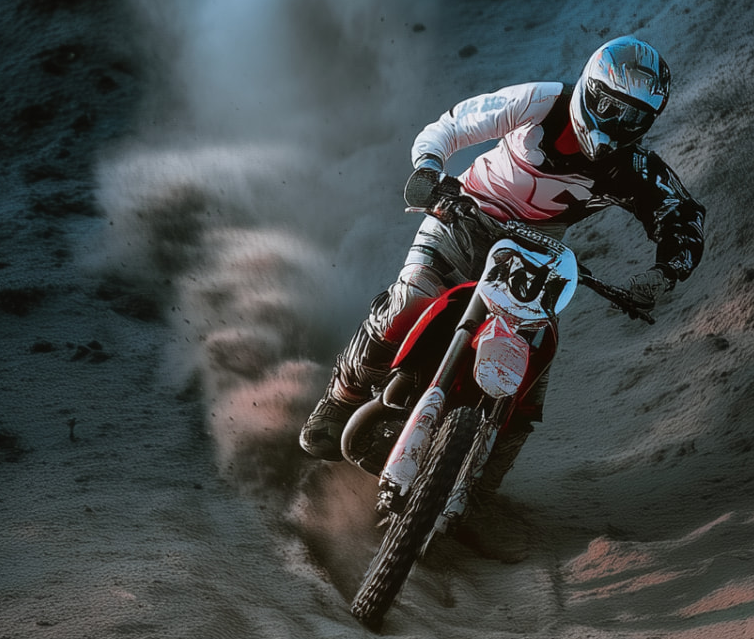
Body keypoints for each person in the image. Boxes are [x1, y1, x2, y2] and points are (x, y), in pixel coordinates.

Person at [299, 36, 705, 474]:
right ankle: (340, 398)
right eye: (609, 107)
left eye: (635, 117)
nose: (618, 124)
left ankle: (484, 482)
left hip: (535, 255)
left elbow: (683, 216)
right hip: (463, 215)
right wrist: (429, 171)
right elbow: (452, 126)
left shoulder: (636, 170)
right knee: (411, 299)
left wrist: (666, 273)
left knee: (535, 362)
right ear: (588, 88)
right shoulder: (541, 101)